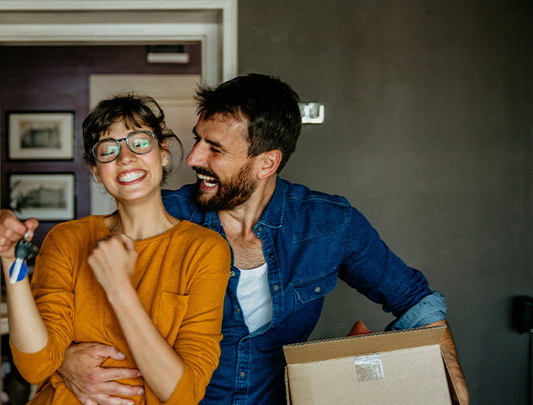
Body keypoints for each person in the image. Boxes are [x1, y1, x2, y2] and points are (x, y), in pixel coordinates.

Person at [58, 74, 469, 404]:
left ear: (266, 163)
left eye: (214, 148)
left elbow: (415, 300)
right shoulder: (162, 215)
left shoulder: (329, 223)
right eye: (198, 139)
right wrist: (63, 360)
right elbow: (74, 293)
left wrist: (454, 391)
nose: (195, 157)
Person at [0, 94, 231, 404]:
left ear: (163, 152)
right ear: (95, 169)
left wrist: (119, 289)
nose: (125, 158)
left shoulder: (205, 250)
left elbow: (184, 393)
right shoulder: (67, 240)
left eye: (139, 142)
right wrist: (11, 261)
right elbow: (36, 366)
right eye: (107, 150)